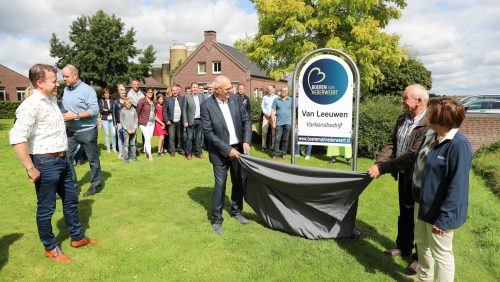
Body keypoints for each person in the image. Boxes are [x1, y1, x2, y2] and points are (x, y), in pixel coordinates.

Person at [10, 63, 98, 262]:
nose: (58, 83)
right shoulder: (31, 105)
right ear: (39, 82)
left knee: (71, 199)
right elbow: (17, 137)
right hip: (44, 162)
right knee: (47, 207)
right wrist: (30, 167)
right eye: (53, 80)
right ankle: (50, 247)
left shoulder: (51, 101)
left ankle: (77, 237)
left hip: (63, 159)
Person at [367, 84, 429, 274]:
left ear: (419, 101)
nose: (401, 101)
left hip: (419, 179)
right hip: (403, 176)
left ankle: (418, 258)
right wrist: (379, 162)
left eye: (405, 98)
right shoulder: (402, 118)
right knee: (404, 214)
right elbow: (391, 143)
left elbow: (412, 155)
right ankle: (403, 247)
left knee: (419, 219)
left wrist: (382, 167)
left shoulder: (428, 123)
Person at [411, 98, 472, 282]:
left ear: (441, 119)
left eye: (431, 113)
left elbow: (458, 186)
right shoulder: (433, 135)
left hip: (441, 211)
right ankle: (423, 278)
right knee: (422, 243)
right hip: (423, 204)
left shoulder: (458, 144)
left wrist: (444, 219)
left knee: (442, 255)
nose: (427, 115)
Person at [201, 75, 252, 235]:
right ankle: (217, 219)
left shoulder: (236, 99)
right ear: (216, 90)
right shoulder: (206, 105)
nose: (231, 91)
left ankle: (237, 211)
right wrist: (227, 149)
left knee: (238, 182)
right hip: (220, 152)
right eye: (227, 89)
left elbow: (247, 121)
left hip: (238, 148)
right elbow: (208, 133)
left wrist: (246, 140)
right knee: (220, 184)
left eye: (231, 87)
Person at [61, 64, 102, 197]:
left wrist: (76, 115)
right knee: (66, 158)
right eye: (63, 76)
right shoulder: (67, 89)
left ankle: (96, 185)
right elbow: (66, 105)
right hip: (71, 131)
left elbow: (95, 110)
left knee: (92, 160)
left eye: (66, 76)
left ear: (75, 76)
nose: (64, 79)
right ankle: (72, 186)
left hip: (87, 131)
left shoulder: (88, 90)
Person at [183, 82, 205, 160]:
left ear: (198, 88)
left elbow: (204, 108)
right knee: (189, 137)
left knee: (198, 138)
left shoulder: (201, 96)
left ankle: (199, 153)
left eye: (196, 87)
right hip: (190, 121)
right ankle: (189, 154)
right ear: (191, 88)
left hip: (200, 121)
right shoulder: (187, 97)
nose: (195, 89)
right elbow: (184, 110)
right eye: (194, 87)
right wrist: (185, 121)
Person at [163, 84, 185, 157]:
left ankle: (180, 149)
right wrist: (166, 120)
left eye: (176, 90)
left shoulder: (182, 98)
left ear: (178, 91)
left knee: (180, 136)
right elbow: (164, 111)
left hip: (180, 121)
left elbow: (185, 110)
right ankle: (172, 151)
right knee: (171, 137)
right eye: (173, 90)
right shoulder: (167, 99)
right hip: (171, 122)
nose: (175, 92)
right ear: (171, 91)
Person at [271, 86, 292, 160]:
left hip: (288, 122)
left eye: (285, 91)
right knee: (277, 139)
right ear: (280, 91)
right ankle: (275, 154)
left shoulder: (291, 100)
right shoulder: (276, 100)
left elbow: (294, 112)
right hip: (279, 123)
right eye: (283, 91)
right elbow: (273, 111)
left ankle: (284, 154)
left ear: (287, 92)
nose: (284, 92)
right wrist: (273, 122)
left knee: (285, 139)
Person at [136, 87, 156, 161]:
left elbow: (154, 112)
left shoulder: (153, 102)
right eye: (149, 92)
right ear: (146, 93)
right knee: (147, 138)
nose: (150, 93)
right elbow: (137, 112)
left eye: (151, 92)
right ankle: (149, 155)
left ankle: (145, 151)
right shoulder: (142, 101)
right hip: (144, 123)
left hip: (152, 122)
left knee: (149, 138)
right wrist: (137, 122)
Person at [120, 99, 139, 163]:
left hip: (133, 130)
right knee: (126, 144)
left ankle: (134, 156)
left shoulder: (134, 110)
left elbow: (136, 118)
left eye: (129, 103)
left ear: (131, 103)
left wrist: (135, 128)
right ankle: (126, 158)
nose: (128, 105)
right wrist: (127, 129)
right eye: (127, 104)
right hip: (126, 130)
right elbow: (122, 121)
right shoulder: (122, 111)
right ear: (125, 104)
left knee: (133, 144)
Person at [99, 88, 116, 153]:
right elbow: (101, 110)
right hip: (105, 119)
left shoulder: (113, 101)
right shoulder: (101, 101)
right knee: (107, 134)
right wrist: (108, 111)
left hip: (112, 119)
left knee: (114, 134)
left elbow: (113, 110)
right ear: (103, 94)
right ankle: (108, 148)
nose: (107, 94)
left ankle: (114, 148)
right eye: (105, 93)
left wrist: (107, 110)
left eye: (108, 93)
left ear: (109, 94)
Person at [261, 85, 277, 151]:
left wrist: (272, 113)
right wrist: (266, 113)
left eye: (270, 89)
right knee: (264, 132)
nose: (269, 90)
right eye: (268, 89)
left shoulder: (277, 97)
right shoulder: (265, 97)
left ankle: (273, 147)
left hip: (274, 116)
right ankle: (263, 146)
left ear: (274, 90)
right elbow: (262, 106)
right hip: (266, 116)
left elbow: (278, 107)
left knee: (274, 133)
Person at [113, 87, 127, 158]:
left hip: (127, 122)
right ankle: (121, 153)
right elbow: (114, 113)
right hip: (119, 123)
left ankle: (127, 152)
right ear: (119, 94)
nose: (123, 94)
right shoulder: (116, 102)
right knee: (120, 138)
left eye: (124, 93)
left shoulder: (128, 101)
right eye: (122, 93)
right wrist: (114, 123)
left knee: (126, 137)